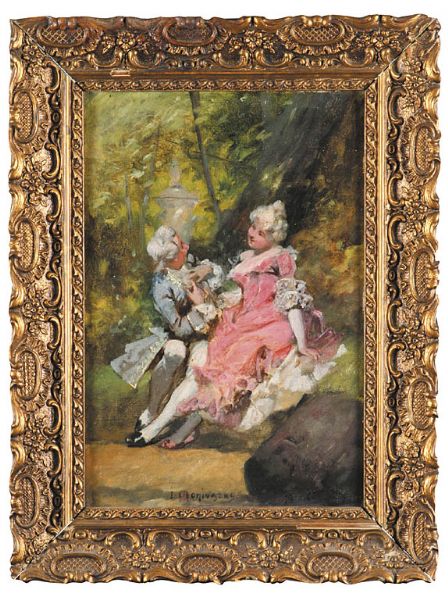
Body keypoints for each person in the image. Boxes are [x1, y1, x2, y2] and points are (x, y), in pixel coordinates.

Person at [126, 201, 342, 447]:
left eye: (261, 233)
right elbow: (227, 289)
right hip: (235, 322)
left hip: (266, 326)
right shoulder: (244, 257)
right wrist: (204, 300)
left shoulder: (280, 258)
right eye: (253, 227)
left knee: (216, 378)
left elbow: (291, 301)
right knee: (207, 377)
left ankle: (156, 430)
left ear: (273, 237)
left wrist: (302, 344)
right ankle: (172, 429)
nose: (252, 233)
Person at [120, 226, 223, 445]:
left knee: (200, 369)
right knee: (175, 353)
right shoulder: (161, 284)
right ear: (172, 258)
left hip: (204, 335)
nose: (187, 246)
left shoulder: (189, 262)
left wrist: (204, 269)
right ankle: (152, 409)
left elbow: (217, 272)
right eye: (181, 245)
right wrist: (200, 308)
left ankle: (161, 427)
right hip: (176, 335)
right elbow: (179, 328)